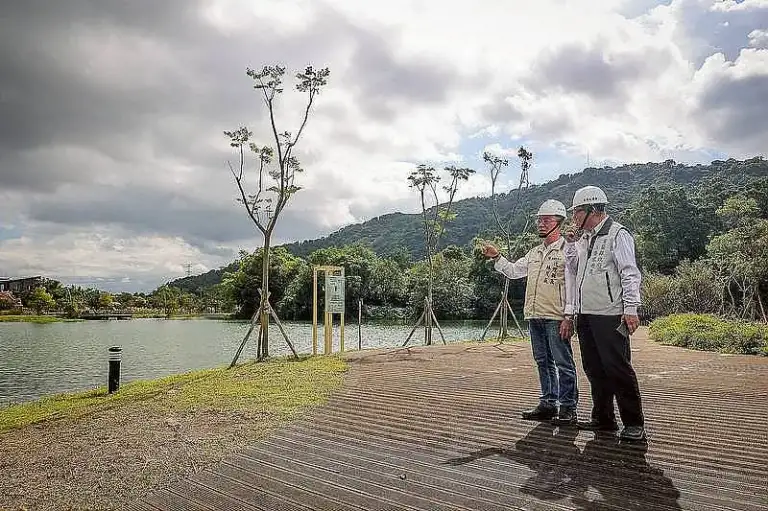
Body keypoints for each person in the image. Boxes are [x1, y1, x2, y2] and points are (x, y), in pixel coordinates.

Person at [481, 199, 579, 426]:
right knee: (542, 361)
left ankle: (568, 408)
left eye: (546, 220)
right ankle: (548, 403)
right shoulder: (534, 252)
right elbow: (514, 271)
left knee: (563, 362)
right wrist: (497, 256)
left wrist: (569, 316)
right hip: (534, 315)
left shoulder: (569, 250)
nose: (541, 224)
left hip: (557, 316)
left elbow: (574, 285)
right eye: (539, 220)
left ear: (559, 223)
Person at [563, 185, 646, 441]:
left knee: (617, 367)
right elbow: (573, 267)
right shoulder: (585, 238)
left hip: (609, 313)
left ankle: (634, 424)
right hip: (586, 313)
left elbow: (629, 272)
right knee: (593, 367)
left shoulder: (617, 234)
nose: (574, 218)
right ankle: (603, 418)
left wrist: (630, 308)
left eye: (577, 212)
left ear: (591, 210)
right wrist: (570, 243)